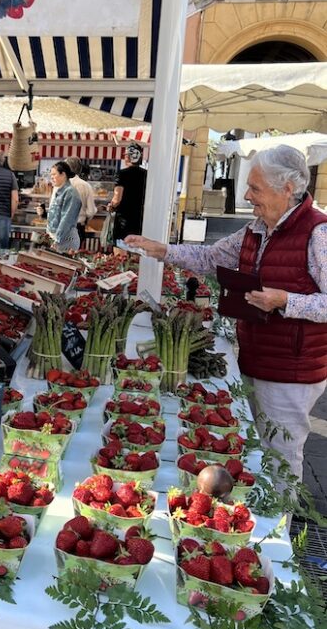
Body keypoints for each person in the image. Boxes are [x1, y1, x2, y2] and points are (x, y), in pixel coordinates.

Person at [125, 145, 327, 484]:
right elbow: (210, 259)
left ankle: (281, 528)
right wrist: (161, 250)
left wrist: (285, 301)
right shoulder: (256, 228)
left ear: (287, 189)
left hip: (292, 370)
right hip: (254, 355)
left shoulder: (318, 233)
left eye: (255, 188)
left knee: (279, 456)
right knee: (256, 448)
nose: (247, 196)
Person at [108, 143, 147, 243]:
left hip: (123, 220)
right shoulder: (147, 174)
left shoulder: (122, 174)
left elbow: (117, 199)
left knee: (121, 251)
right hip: (140, 219)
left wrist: (111, 206)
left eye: (125, 155)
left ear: (130, 157)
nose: (124, 158)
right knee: (137, 249)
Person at [47, 161, 82, 252]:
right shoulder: (60, 191)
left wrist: (57, 240)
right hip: (57, 239)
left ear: (63, 174)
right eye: (51, 174)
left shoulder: (71, 193)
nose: (51, 177)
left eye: (54, 174)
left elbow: (67, 219)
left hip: (66, 240)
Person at [66, 157, 98, 244]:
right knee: (74, 255)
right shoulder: (85, 185)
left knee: (58, 256)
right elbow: (91, 211)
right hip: (78, 227)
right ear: (80, 170)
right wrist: (86, 219)